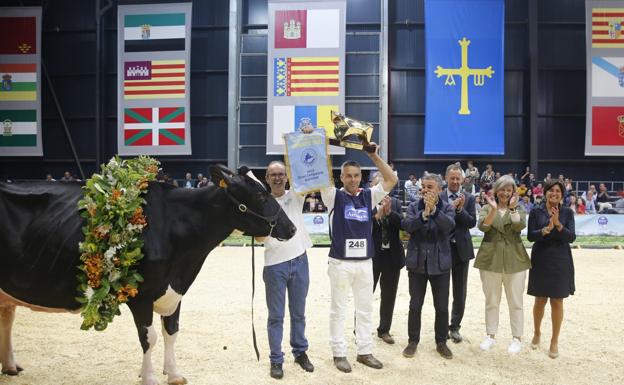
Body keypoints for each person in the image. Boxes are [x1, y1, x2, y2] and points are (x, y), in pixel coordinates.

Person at [320, 145, 398, 373]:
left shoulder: (369, 195)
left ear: (361, 177)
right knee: (339, 309)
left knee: (365, 309)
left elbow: (391, 179)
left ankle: (364, 351)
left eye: (356, 175)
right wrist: (318, 146)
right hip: (340, 263)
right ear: (341, 177)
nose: (353, 179)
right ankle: (339, 353)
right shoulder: (333, 196)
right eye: (348, 176)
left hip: (365, 262)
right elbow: (322, 173)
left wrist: (373, 155)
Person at [259, 160, 314, 379]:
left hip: (300, 260)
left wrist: (306, 137)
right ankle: (276, 359)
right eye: (273, 174)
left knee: (299, 313)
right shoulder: (262, 204)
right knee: (276, 316)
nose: (278, 177)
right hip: (274, 265)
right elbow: (260, 237)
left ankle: (300, 352)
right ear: (266, 178)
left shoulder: (296, 196)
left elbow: (309, 170)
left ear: (287, 176)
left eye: (281, 173)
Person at [474, 175, 531, 354]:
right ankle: (490, 335)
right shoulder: (485, 208)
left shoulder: (519, 208)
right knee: (492, 300)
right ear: (496, 191)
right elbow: (483, 227)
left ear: (513, 192)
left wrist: (513, 209)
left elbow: (518, 226)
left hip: (515, 259)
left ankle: (517, 338)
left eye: (509, 189)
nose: (505, 193)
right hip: (490, 259)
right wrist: (492, 209)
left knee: (516, 301)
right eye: (502, 189)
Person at [401, 173, 455, 359]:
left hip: (440, 265)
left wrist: (434, 211)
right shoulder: (413, 206)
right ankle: (412, 341)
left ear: (439, 189)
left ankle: (441, 342)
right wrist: (424, 214)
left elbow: (449, 226)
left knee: (441, 307)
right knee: (415, 305)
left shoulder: (447, 207)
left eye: (430, 187)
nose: (425, 190)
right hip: (417, 264)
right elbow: (407, 225)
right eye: (423, 186)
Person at [527, 180, 576, 359]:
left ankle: (554, 340)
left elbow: (571, 237)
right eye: (550, 190)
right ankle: (537, 332)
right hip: (541, 258)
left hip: (560, 259)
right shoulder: (535, 211)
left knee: (557, 301)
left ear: (562, 195)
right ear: (545, 192)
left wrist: (558, 225)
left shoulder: (568, 212)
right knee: (540, 300)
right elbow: (530, 237)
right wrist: (544, 231)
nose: (554, 193)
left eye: (557, 191)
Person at [440, 163, 476, 343]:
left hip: (461, 250)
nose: (455, 181)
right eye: (452, 178)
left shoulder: (469, 198)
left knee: (459, 292)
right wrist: (450, 208)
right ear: (446, 178)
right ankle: (441, 326)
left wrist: (460, 209)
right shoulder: (439, 197)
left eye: (458, 178)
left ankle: (454, 327)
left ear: (462, 180)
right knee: (442, 291)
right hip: (443, 249)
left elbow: (471, 223)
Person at [371, 174, 405, 346]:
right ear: (372, 187)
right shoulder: (365, 203)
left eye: (385, 185)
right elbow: (361, 228)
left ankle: (384, 330)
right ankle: (359, 328)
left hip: (392, 257)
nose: (383, 189)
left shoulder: (396, 203)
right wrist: (377, 215)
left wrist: (390, 213)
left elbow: (404, 225)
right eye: (379, 185)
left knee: (389, 295)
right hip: (371, 257)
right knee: (365, 295)